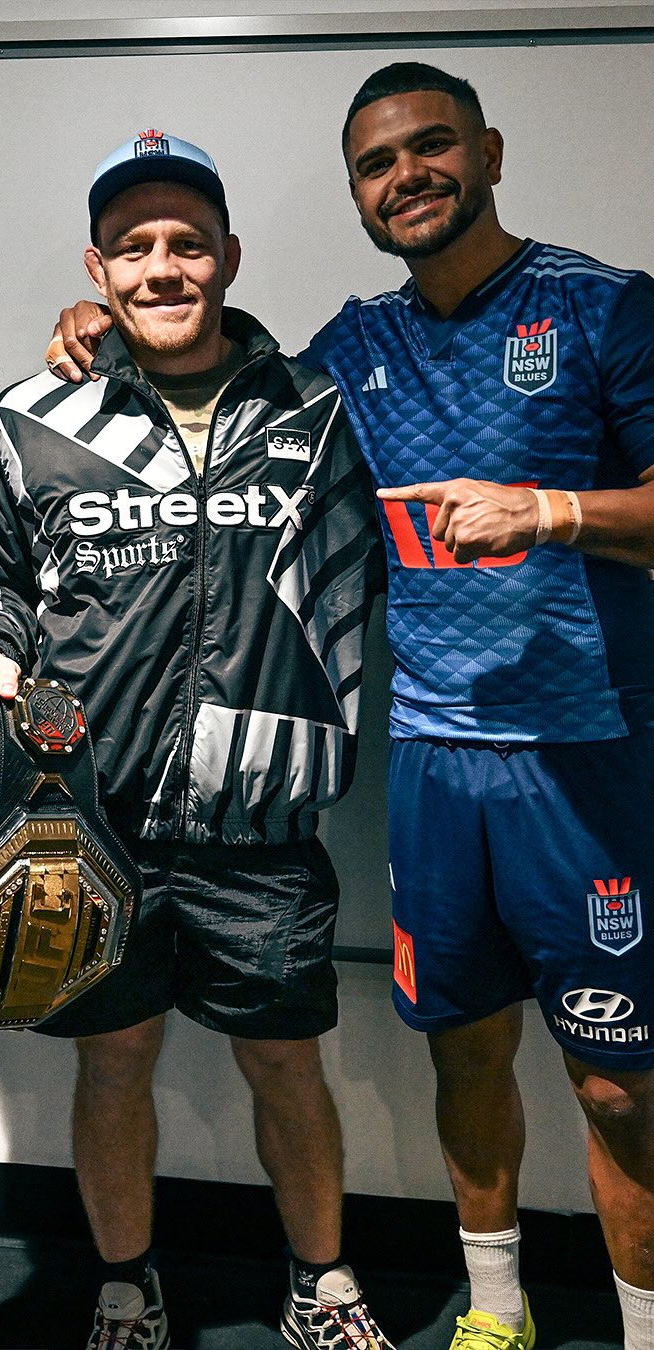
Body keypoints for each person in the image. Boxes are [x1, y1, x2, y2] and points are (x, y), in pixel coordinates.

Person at [48, 64, 654, 1350]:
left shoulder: (605, 305)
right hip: (432, 760)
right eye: (378, 164)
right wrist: (105, 332)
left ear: (489, 151)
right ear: (357, 194)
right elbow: (229, 382)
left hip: (590, 755)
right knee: (463, 1050)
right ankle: (497, 1312)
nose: (408, 176)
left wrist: (550, 511)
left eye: (433, 146)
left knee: (618, 1087)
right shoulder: (352, 352)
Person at [0, 130, 390, 1350]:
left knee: (288, 1067)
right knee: (113, 1063)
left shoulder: (322, 411)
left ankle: (323, 1287)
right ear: (98, 269)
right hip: (89, 829)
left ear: (228, 257)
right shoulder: (33, 417)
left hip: (263, 826)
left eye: (186, 243)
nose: (161, 266)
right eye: (133, 246)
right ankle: (126, 1289)